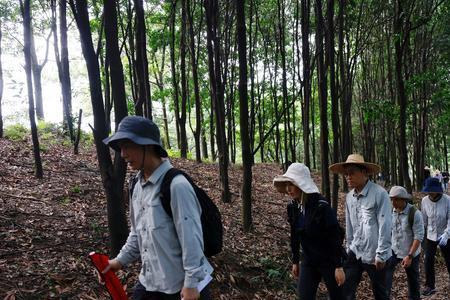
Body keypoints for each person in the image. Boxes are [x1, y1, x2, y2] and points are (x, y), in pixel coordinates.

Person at [101, 116, 213, 300]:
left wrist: (192, 284)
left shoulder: (177, 186)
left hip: (182, 288)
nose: (123, 154)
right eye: (121, 148)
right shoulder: (137, 185)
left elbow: (191, 239)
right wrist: (119, 261)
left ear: (148, 146)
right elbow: (138, 233)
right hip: (150, 282)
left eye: (128, 146)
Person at [273, 163, 345, 300]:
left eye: (292, 184)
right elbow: (295, 234)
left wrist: (339, 266)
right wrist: (295, 260)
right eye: (286, 184)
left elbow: (334, 236)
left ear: (301, 185)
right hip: (309, 260)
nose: (288, 189)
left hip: (329, 259)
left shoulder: (321, 206)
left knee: (338, 296)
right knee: (304, 295)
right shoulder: (293, 206)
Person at [329, 154, 392, 300]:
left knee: (380, 293)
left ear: (364, 172)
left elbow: (385, 224)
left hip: (375, 253)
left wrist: (381, 253)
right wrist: (349, 248)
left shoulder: (379, 194)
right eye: (346, 174)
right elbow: (350, 224)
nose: (348, 177)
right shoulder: (349, 197)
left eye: (352, 172)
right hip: (355, 250)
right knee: (345, 290)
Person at [385, 186, 424, 300]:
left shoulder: (415, 213)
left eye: (396, 199)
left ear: (404, 199)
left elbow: (418, 236)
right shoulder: (390, 211)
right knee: (385, 276)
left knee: (413, 280)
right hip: (393, 250)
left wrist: (410, 256)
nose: (393, 202)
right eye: (391, 199)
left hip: (410, 252)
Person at [420, 177, 450, 296]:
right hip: (430, 235)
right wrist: (421, 237)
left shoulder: (447, 200)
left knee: (449, 259)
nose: (430, 193)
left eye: (433, 190)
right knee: (428, 260)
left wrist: (447, 234)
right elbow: (423, 220)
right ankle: (430, 286)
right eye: (429, 191)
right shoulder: (424, 201)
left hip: (445, 235)